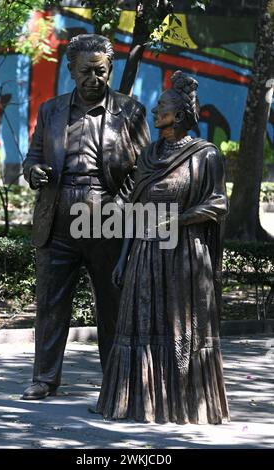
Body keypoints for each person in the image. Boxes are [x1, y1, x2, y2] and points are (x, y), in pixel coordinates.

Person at [96, 71, 230, 424]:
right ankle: (137, 401)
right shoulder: (148, 155)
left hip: (185, 254)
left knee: (180, 327)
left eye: (163, 107)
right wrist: (123, 259)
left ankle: (185, 404)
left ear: (181, 114)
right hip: (145, 254)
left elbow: (218, 204)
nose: (155, 110)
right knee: (139, 326)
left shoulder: (206, 155)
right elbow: (136, 211)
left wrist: (180, 220)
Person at [21, 34, 150, 400]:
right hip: (57, 215)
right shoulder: (51, 110)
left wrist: (119, 205)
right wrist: (34, 173)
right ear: (72, 72)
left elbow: (144, 168)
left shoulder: (130, 111)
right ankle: (45, 377)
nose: (94, 79)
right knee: (50, 303)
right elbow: (33, 157)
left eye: (101, 71)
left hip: (105, 215)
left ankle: (115, 378)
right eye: (86, 72)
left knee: (111, 303)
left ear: (110, 70)